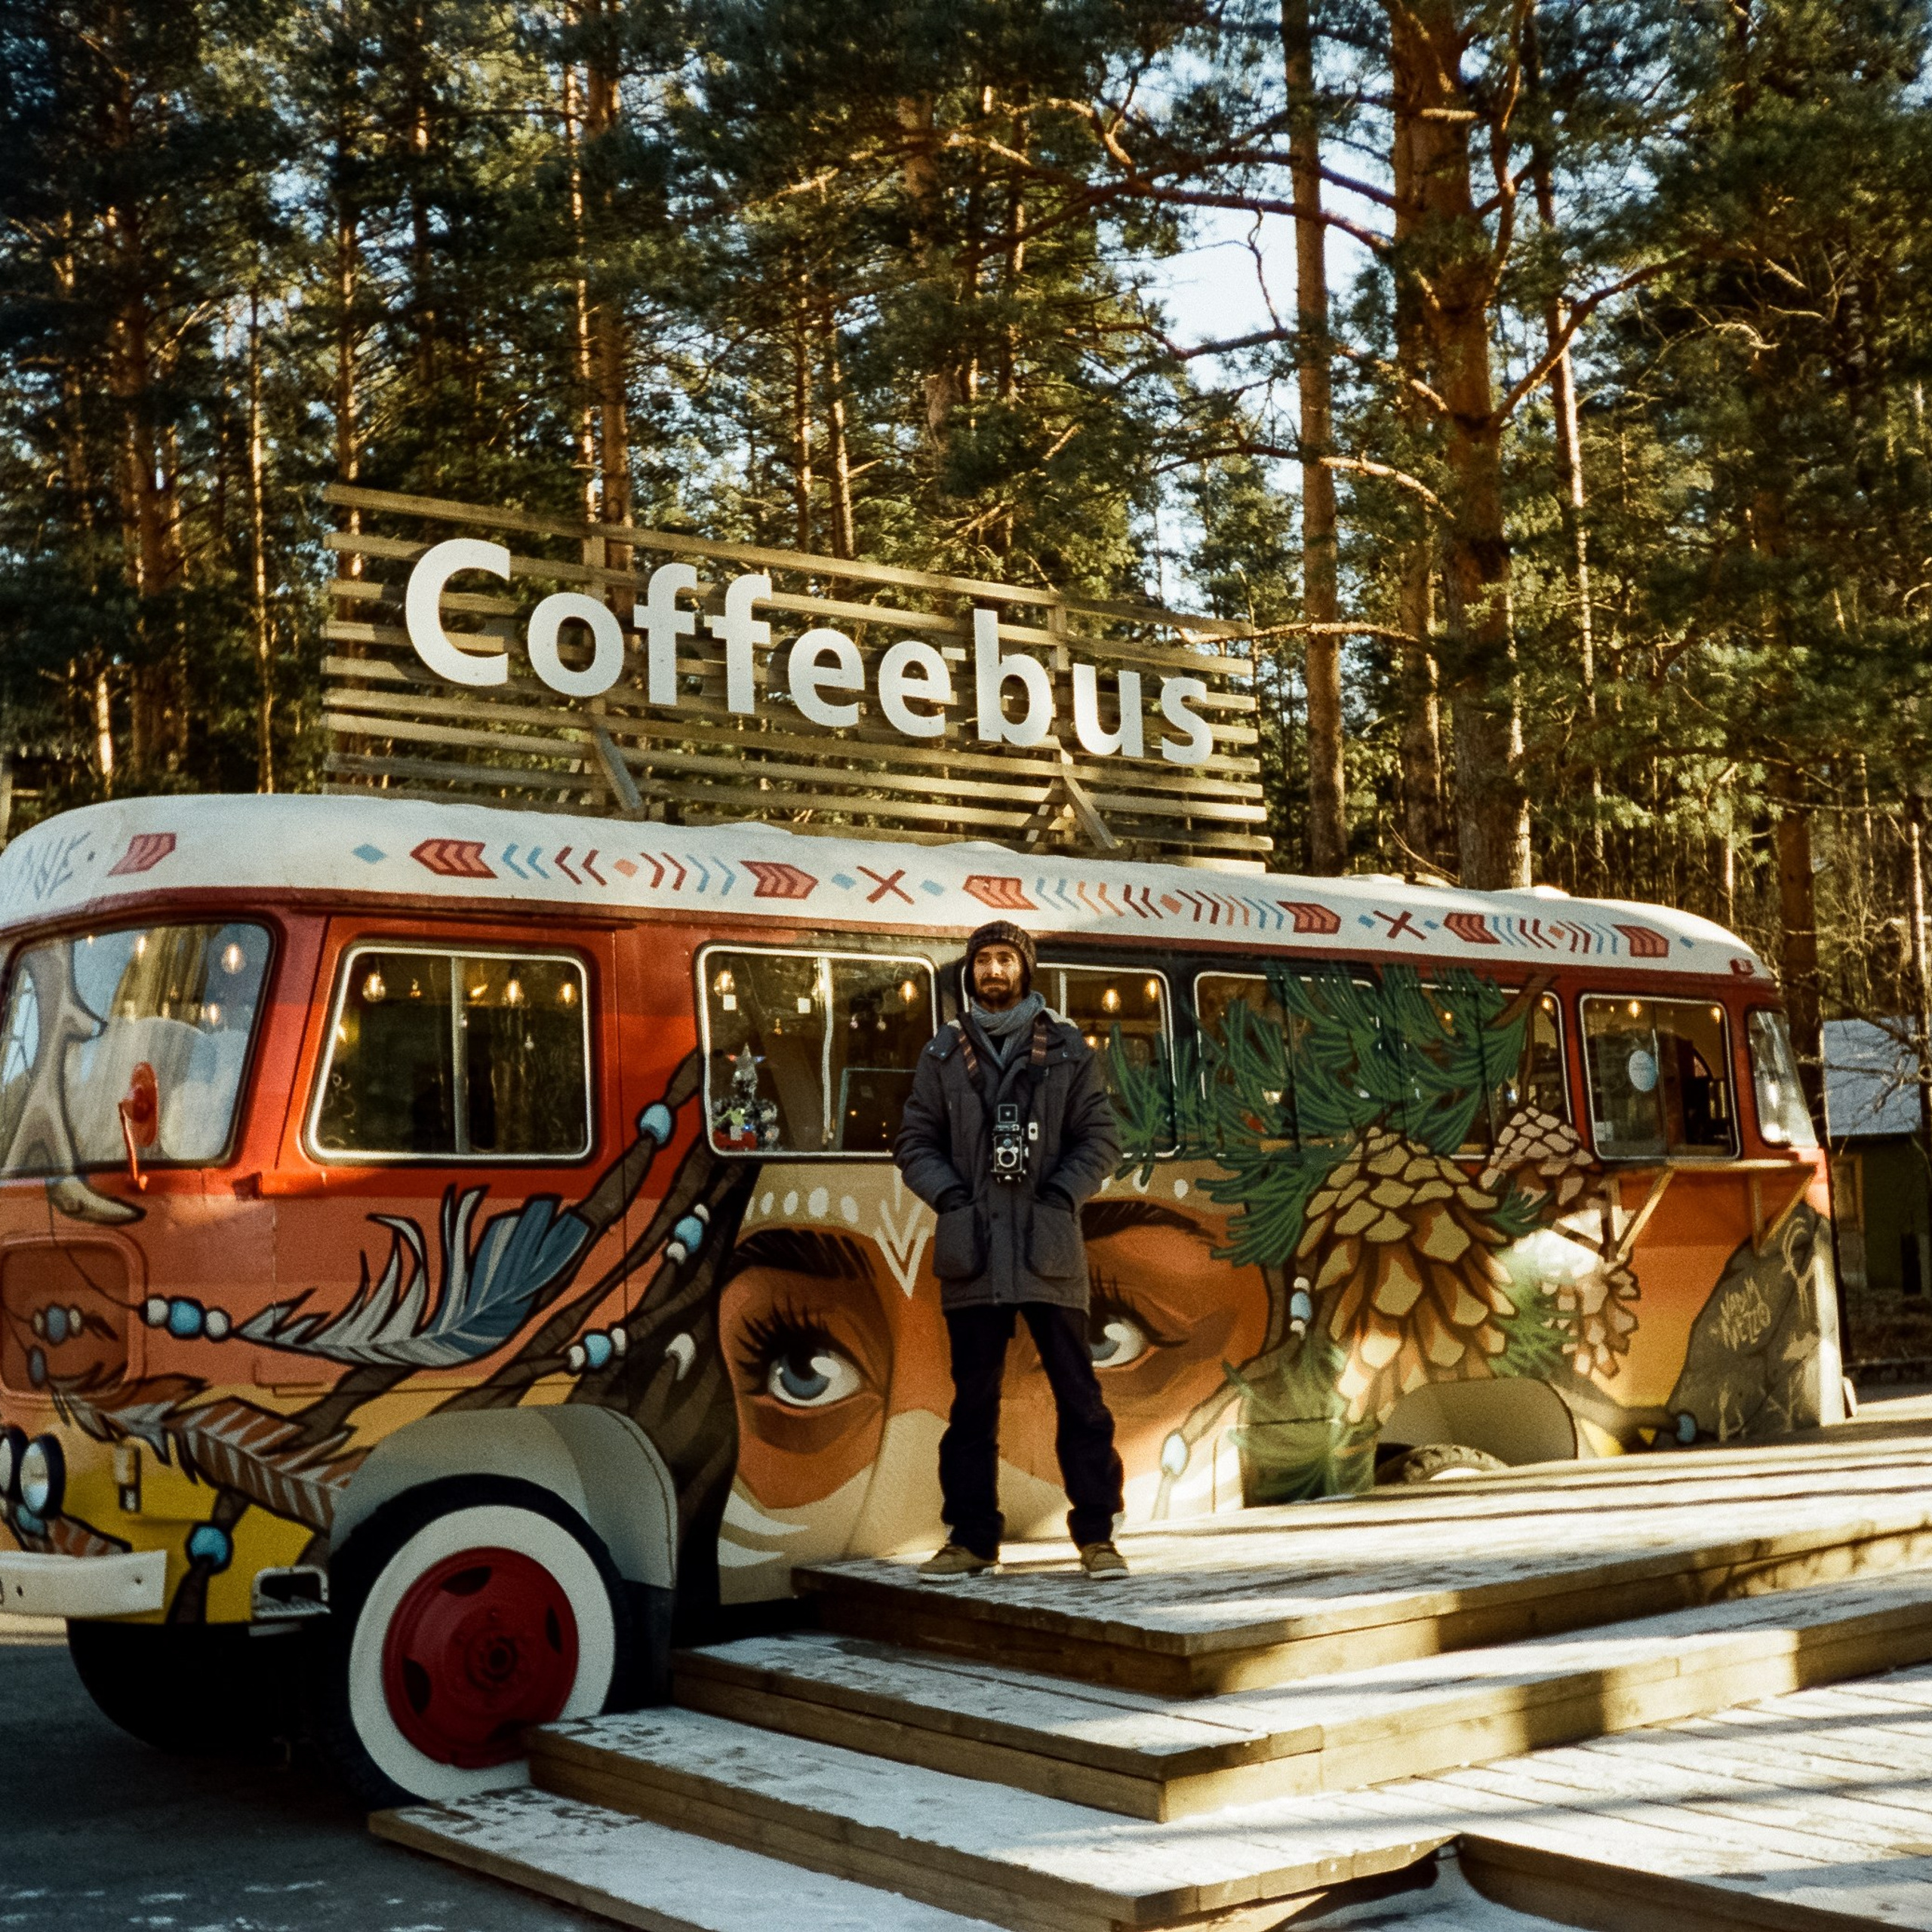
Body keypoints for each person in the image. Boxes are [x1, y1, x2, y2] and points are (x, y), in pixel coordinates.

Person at [893, 921, 1128, 1580]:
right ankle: (971, 1539)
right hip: (974, 1250)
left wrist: (1060, 1194)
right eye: (984, 961)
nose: (994, 971)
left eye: (1005, 959)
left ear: (1026, 969)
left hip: (1047, 1246)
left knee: (1079, 1396)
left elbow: (1101, 1139)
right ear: (970, 973)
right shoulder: (942, 1053)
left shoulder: (1069, 1051)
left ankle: (1098, 1536)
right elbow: (914, 1142)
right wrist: (952, 1200)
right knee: (972, 1403)